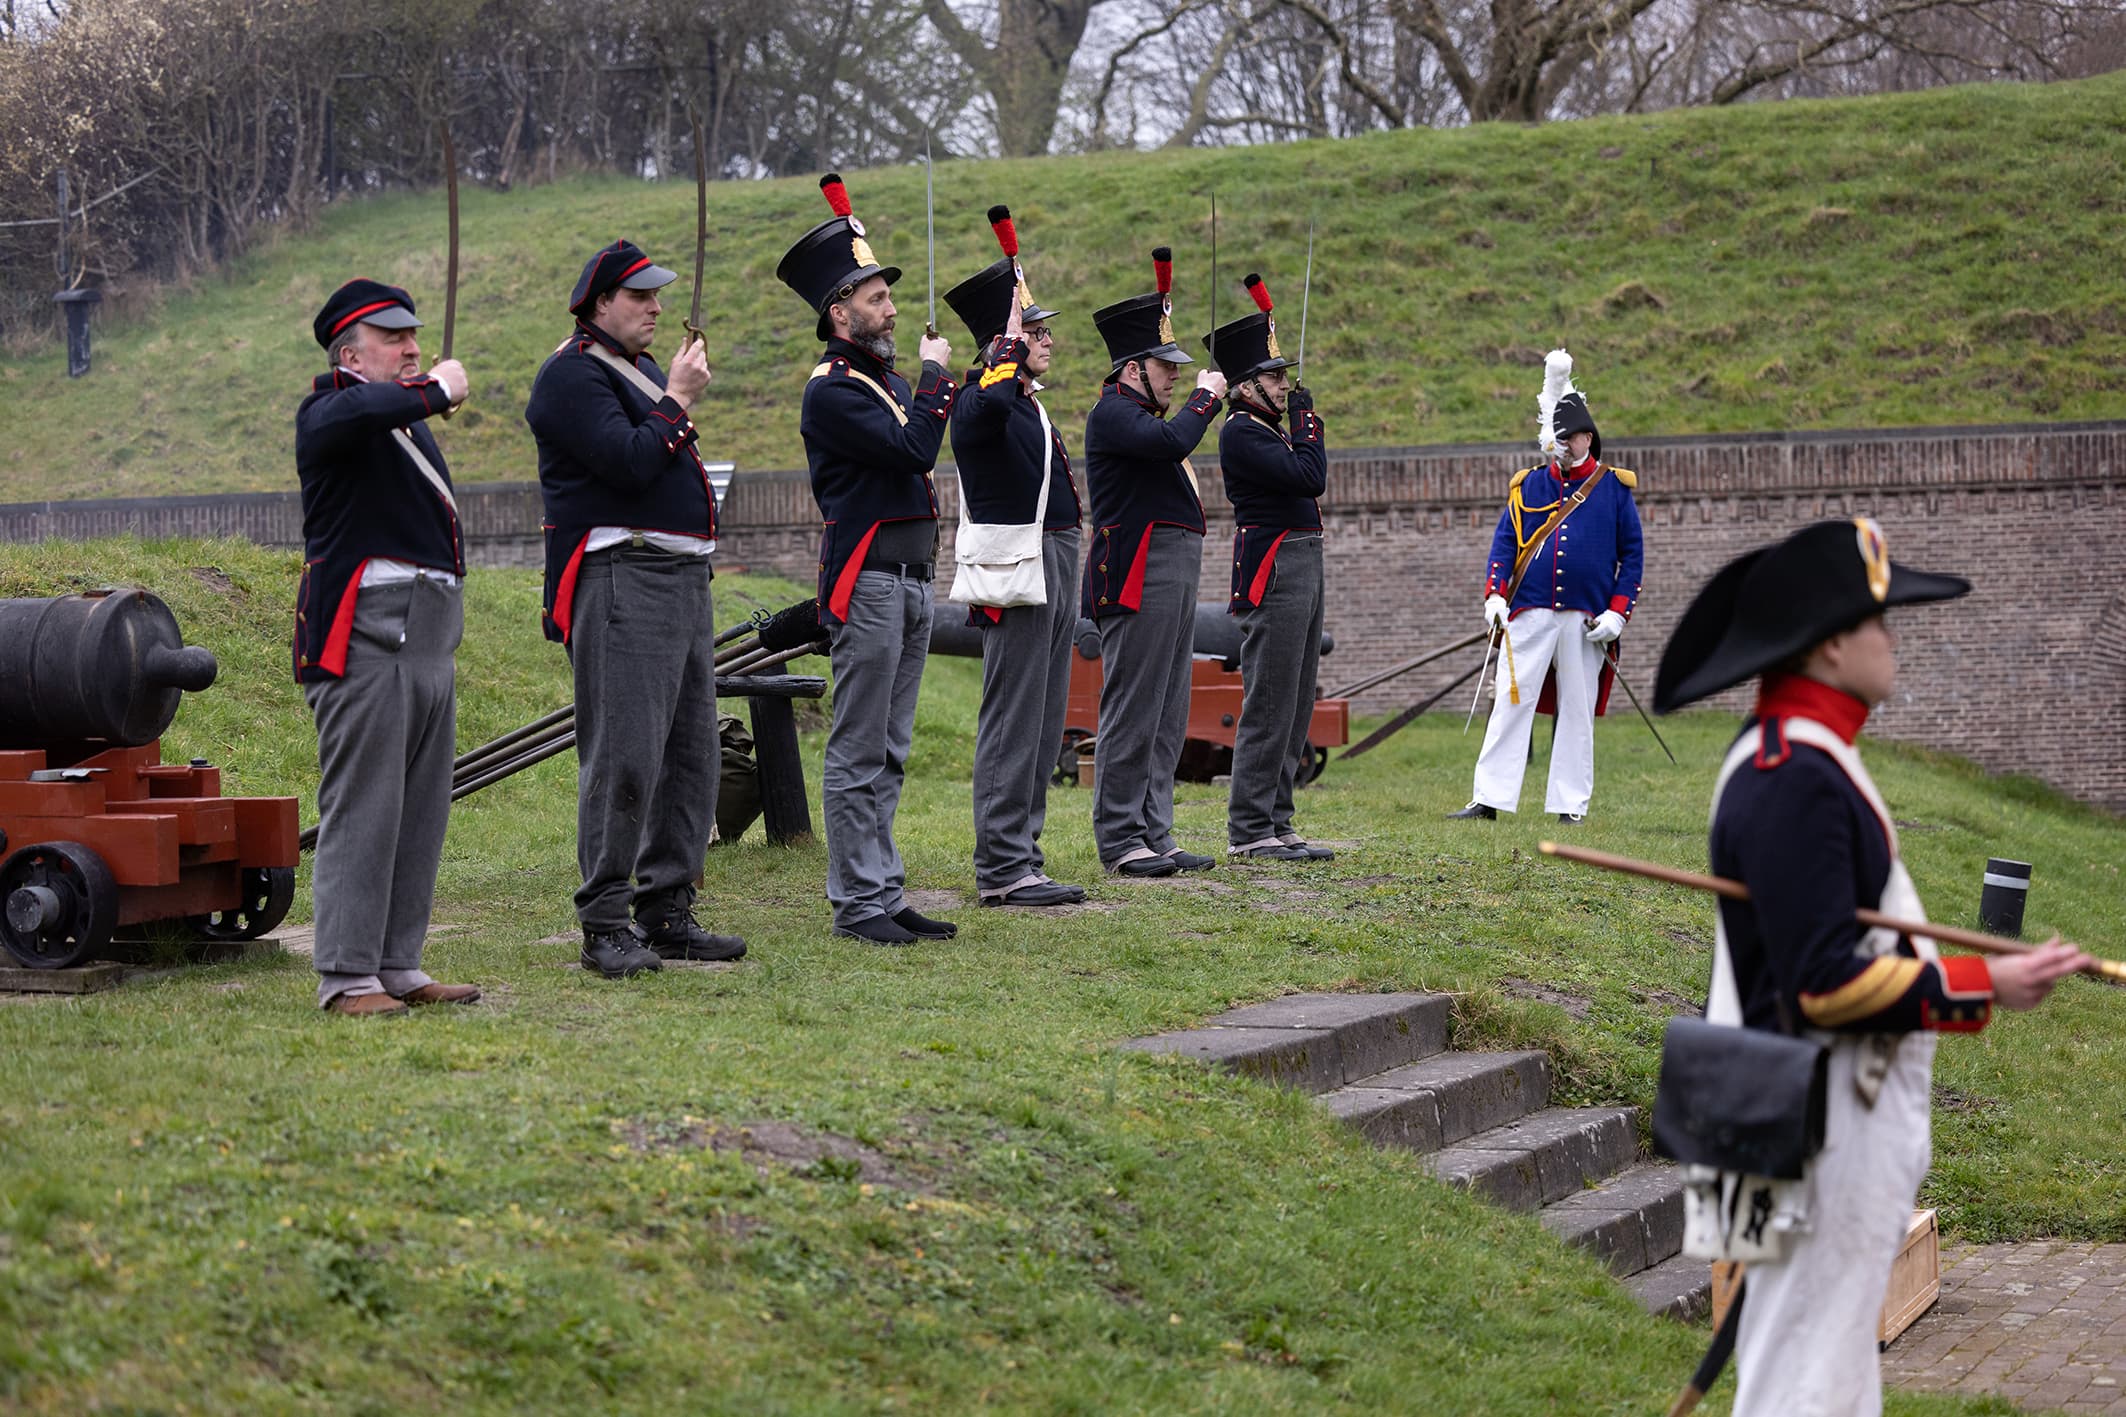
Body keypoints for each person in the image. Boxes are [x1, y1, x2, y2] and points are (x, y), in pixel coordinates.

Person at [1652, 516, 2092, 1417]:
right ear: (1827, 644)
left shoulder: (1803, 756)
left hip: (1819, 1121)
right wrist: (1985, 982)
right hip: (1816, 1129)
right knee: (1806, 1383)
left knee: (1828, 1374)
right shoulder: (1793, 774)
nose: (1892, 639)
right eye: (1878, 621)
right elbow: (1822, 983)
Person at [524, 238, 744, 979]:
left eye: (657, 295)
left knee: (690, 752)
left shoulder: (640, 370)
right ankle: (605, 919)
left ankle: (667, 908)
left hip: (678, 578)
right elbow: (627, 462)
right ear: (599, 304)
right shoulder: (569, 376)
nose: (655, 307)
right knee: (624, 754)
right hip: (624, 576)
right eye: (640, 296)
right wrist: (678, 399)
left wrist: (669, 394)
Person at [777, 175, 960, 945]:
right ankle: (856, 899)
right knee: (858, 748)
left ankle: (882, 888)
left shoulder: (881, 381)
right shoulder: (832, 390)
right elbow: (915, 448)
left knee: (892, 747)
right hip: (872, 580)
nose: (890, 308)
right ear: (839, 311)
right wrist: (937, 378)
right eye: (876, 298)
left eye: (888, 296)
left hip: (910, 578)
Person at [295, 278, 481, 1016]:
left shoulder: (398, 417)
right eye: (393, 338)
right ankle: (346, 975)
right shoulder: (330, 410)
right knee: (366, 807)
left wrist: (421, 397)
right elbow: (363, 411)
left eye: (414, 336)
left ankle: (396, 962)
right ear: (350, 355)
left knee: (418, 811)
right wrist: (434, 389)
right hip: (369, 638)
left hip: (427, 636)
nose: (412, 347)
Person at [942, 205, 1086, 909]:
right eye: (1034, 330)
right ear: (1002, 343)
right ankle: (1001, 862)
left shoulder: (1027, 402)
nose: (1048, 339)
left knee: (1045, 715)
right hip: (1017, 568)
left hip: (1052, 558)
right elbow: (978, 417)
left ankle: (1024, 852)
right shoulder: (983, 398)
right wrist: (1001, 353)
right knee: (1015, 715)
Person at [1450, 349, 1642, 824]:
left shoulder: (1614, 488)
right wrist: (1495, 594)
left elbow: (1633, 558)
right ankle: (1488, 798)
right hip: (1529, 611)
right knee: (1511, 702)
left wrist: (1617, 613)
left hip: (1585, 616)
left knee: (1576, 711)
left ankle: (1570, 805)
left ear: (1588, 438)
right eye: (1558, 436)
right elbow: (1504, 544)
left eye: (1572, 436)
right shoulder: (1528, 485)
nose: (1564, 444)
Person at [1083, 248, 1227, 877]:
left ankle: (1154, 830)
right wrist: (1205, 400)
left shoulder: (1139, 413)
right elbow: (1171, 441)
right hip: (1139, 574)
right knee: (1134, 708)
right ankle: (1121, 837)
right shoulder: (1115, 413)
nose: (1174, 376)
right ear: (1132, 368)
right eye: (1165, 366)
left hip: (1169, 572)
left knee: (1168, 711)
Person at [1206, 273, 1331, 863]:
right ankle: (1250, 826)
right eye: (1275, 377)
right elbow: (1311, 477)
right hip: (1277, 567)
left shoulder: (1267, 431)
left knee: (1297, 699)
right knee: (1271, 699)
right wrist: (1307, 421)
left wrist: (1299, 424)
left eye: (1284, 377)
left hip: (1302, 560)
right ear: (1246, 385)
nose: (1285, 386)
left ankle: (1277, 819)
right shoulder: (1241, 433)